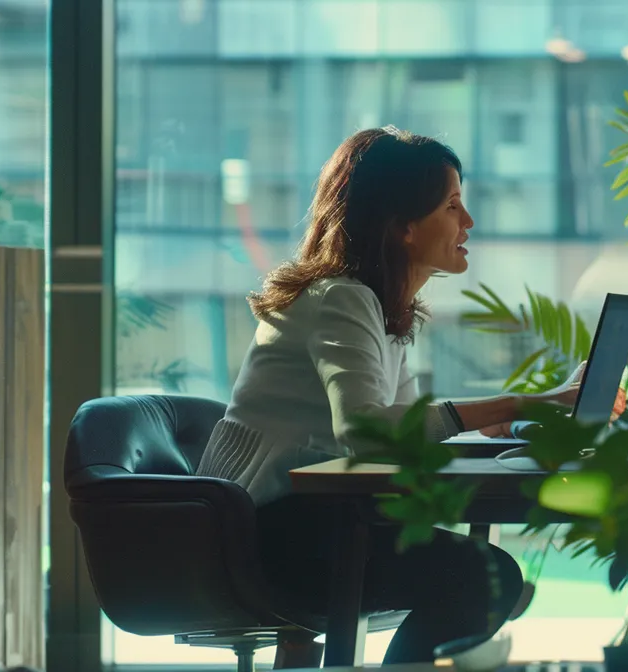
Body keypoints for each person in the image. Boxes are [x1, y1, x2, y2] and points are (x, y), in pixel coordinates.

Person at [197, 127, 606, 663]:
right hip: (273, 538)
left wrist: (490, 427)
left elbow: (401, 429)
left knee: (482, 576)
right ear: (403, 226)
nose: (468, 222)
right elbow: (367, 430)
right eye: (453, 206)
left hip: (315, 523)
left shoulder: (379, 308)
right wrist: (515, 405)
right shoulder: (341, 299)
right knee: (485, 579)